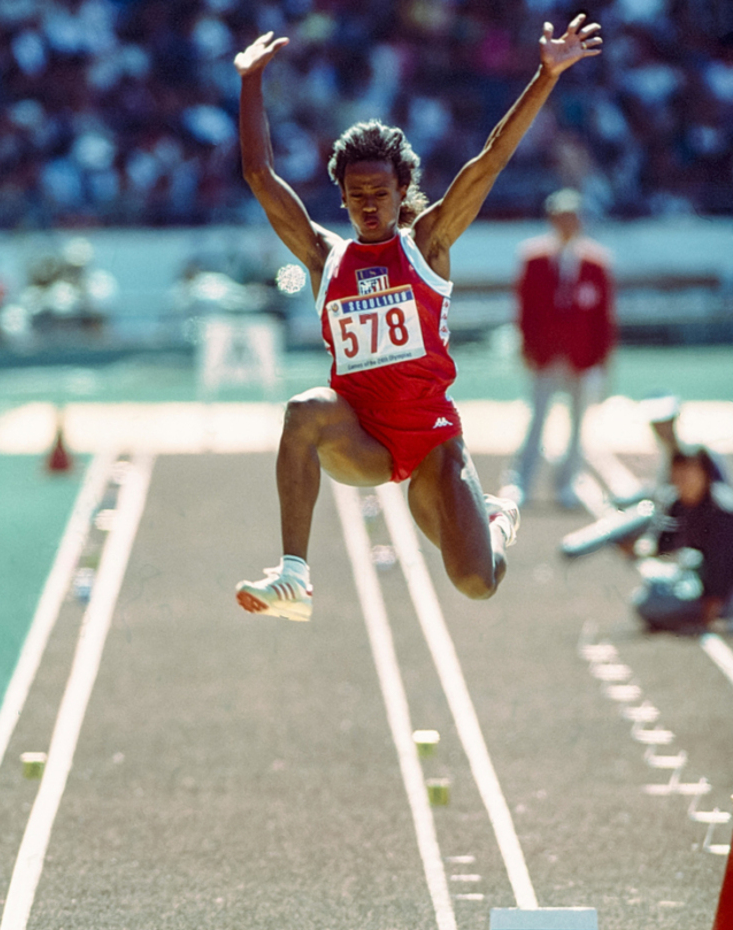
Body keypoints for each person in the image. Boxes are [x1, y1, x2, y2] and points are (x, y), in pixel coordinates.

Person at [233, 18, 603, 622]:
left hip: (431, 439)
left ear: (402, 188)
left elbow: (488, 162)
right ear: (344, 197)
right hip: (362, 436)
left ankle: (496, 522)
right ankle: (294, 576)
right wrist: (251, 82)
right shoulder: (327, 256)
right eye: (356, 195)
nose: (369, 204)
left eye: (380, 191)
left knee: (477, 583)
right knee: (302, 410)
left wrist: (544, 75)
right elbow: (259, 176)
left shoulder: (425, 245)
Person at [503, 188, 616, 509]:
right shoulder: (533, 258)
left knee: (579, 424)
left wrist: (603, 360)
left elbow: (604, 317)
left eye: (574, 216)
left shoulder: (597, 262)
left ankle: (567, 483)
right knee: (537, 419)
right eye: (562, 216)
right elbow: (524, 308)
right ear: (552, 219)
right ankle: (520, 481)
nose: (569, 223)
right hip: (546, 355)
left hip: (583, 357)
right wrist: (526, 347)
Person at [632, 447, 733, 633]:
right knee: (647, 597)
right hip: (699, 578)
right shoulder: (676, 503)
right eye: (678, 472)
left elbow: (723, 569)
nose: (683, 479)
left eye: (689, 472)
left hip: (726, 590)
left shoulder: (722, 512)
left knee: (652, 605)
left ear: (705, 474)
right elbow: (662, 546)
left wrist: (707, 617)